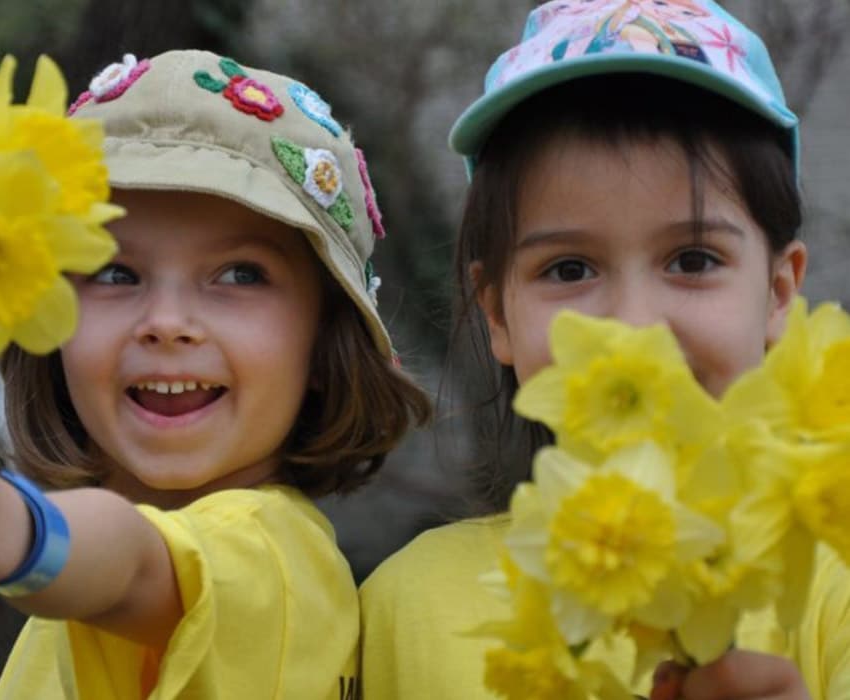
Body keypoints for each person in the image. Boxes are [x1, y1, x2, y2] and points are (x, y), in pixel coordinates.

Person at [0, 49, 431, 699]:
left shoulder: (277, 556)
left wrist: (10, 527)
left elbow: (138, 565)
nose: (167, 322)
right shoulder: (73, 609)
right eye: (114, 273)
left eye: (240, 274)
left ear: (325, 343)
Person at [360, 1, 849, 698]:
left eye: (691, 259)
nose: (634, 329)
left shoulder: (832, 583)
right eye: (569, 270)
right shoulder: (401, 609)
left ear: (777, 293)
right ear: (498, 314)